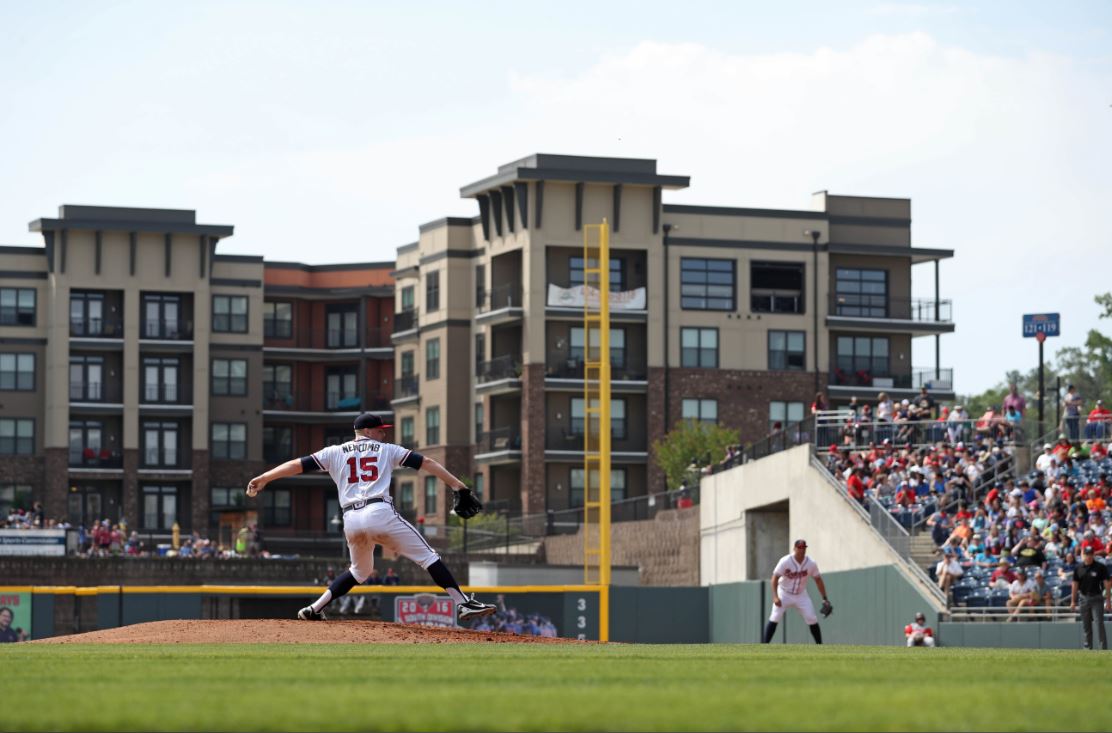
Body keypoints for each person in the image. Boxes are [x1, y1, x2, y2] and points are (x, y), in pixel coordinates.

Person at [247, 412, 496, 623]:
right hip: (379, 512)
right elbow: (427, 462)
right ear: (366, 430)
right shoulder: (387, 450)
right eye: (379, 430)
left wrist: (265, 478)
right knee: (428, 556)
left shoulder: (334, 452)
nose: (383, 434)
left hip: (351, 519)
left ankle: (315, 608)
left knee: (360, 571)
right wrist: (459, 486)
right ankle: (463, 603)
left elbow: (296, 465)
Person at [762, 539, 830, 645]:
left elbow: (818, 580)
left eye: (804, 548)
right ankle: (763, 646)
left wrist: (825, 598)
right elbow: (774, 578)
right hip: (784, 593)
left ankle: (820, 646)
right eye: (800, 548)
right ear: (794, 548)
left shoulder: (811, 563)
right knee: (775, 617)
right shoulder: (785, 561)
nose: (802, 550)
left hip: (801, 595)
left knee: (811, 618)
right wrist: (775, 596)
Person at [1070, 545, 1112, 650]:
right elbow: (1075, 585)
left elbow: (1107, 584)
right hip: (1083, 598)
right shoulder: (1078, 568)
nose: (1088, 557)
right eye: (1086, 554)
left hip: (1097, 598)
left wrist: (1108, 600)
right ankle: (1087, 648)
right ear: (1083, 555)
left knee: (1099, 624)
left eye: (1090, 554)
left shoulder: (1100, 567)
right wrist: (1073, 601)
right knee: (1086, 625)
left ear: (1093, 555)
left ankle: (1103, 648)